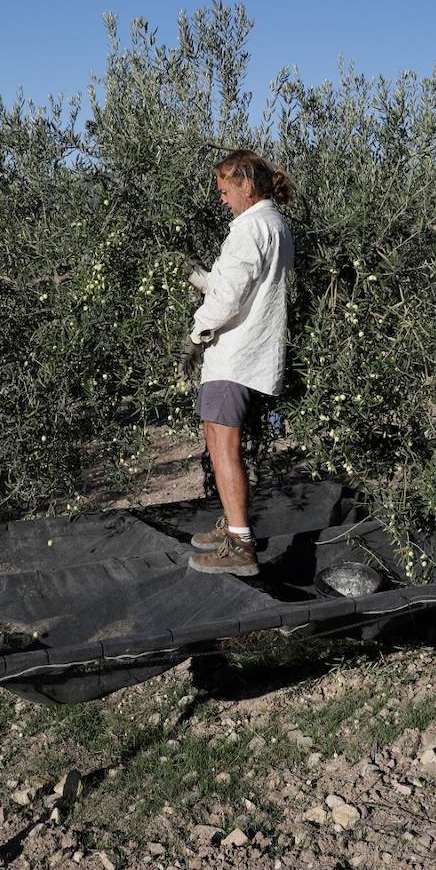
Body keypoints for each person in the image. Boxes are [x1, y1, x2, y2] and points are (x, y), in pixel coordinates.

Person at [181, 149, 295, 577]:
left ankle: (241, 542)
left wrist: (196, 334)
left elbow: (229, 299)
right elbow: (234, 285)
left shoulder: (251, 228)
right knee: (217, 439)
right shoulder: (271, 224)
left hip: (235, 355)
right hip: (244, 353)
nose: (224, 200)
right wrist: (197, 275)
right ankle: (232, 525)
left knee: (224, 448)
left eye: (226, 191)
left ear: (246, 186)